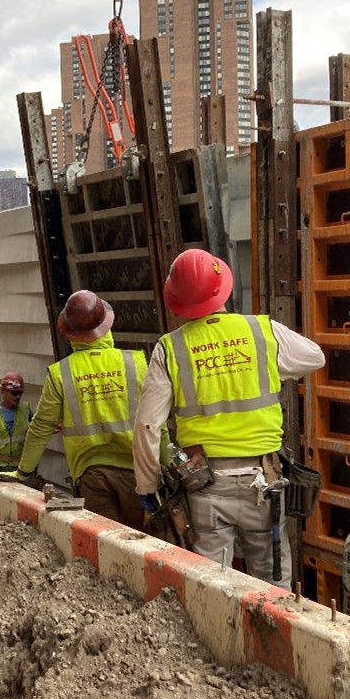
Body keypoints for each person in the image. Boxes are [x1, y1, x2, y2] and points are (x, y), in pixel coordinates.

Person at [132, 249, 325, 590]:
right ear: (223, 287)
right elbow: (314, 356)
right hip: (265, 482)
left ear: (176, 299)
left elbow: (148, 425)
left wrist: (148, 487)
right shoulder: (261, 330)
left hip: (205, 483)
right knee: (272, 584)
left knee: (211, 586)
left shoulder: (170, 348)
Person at [0, 291, 164, 531]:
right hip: (138, 473)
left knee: (105, 543)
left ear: (70, 333)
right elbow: (156, 424)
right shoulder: (135, 363)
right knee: (146, 545)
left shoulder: (61, 373)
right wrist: (163, 468)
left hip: (91, 476)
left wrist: (22, 473)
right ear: (106, 326)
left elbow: (41, 428)